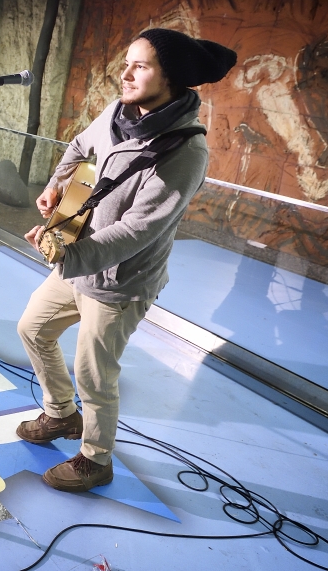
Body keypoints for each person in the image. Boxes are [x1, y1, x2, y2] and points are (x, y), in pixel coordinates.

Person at [14, 28, 236, 493]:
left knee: (94, 374)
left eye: (141, 65)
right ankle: (60, 415)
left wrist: (70, 254)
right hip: (79, 261)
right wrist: (58, 183)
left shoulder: (185, 150)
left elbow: (139, 229)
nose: (126, 73)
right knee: (32, 328)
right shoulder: (118, 113)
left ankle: (96, 459)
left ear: (170, 77)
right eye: (126, 61)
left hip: (120, 279)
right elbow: (79, 147)